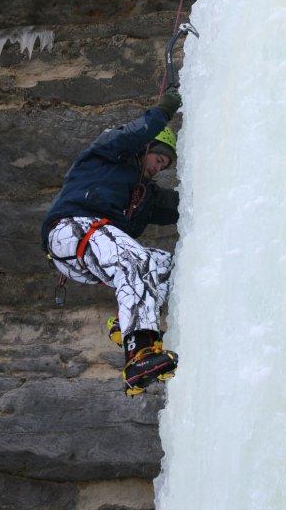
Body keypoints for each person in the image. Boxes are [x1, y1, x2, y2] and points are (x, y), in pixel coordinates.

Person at [41, 88, 182, 395]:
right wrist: (165, 110)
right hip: (70, 228)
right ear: (147, 147)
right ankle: (139, 353)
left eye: (164, 166)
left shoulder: (145, 196)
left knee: (168, 266)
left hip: (93, 251)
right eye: (159, 158)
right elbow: (134, 133)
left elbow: (180, 205)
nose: (159, 167)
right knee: (135, 259)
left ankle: (125, 322)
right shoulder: (110, 151)